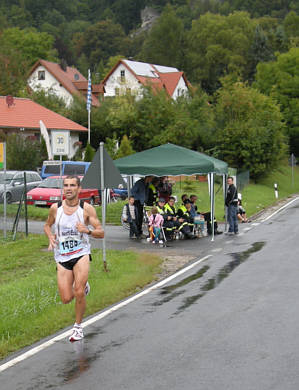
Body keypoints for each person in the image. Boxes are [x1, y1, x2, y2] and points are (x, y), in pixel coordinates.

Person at [44, 175, 104, 342]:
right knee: (66, 298)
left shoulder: (86, 209)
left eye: (72, 185)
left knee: (77, 291)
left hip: (81, 253)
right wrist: (50, 236)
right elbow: (47, 225)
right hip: (62, 256)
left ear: (79, 189)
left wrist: (87, 231)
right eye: (66, 185)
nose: (68, 188)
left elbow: (101, 232)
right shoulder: (55, 208)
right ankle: (84, 288)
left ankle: (77, 327)